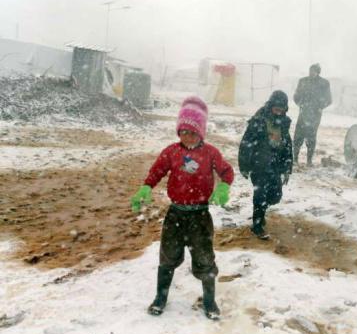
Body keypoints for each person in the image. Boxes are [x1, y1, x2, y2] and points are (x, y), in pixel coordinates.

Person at [130, 96, 234, 320]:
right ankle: (161, 296)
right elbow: (157, 171)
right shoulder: (171, 152)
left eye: (193, 132)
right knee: (168, 257)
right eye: (184, 131)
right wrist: (146, 187)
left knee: (205, 260)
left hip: (200, 216)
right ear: (178, 132)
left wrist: (224, 186)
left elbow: (227, 172)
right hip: (176, 213)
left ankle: (209, 300)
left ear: (202, 133)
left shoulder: (210, 153)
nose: (188, 136)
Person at [238, 90, 293, 240]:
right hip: (259, 164)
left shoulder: (284, 124)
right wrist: (244, 165)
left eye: (281, 109)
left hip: (275, 165)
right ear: (270, 106)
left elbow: (287, 146)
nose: (279, 111)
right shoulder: (259, 120)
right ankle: (257, 225)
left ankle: (261, 210)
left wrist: (287, 168)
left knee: (275, 196)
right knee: (260, 194)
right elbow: (246, 143)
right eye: (276, 108)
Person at [293, 63, 332, 167]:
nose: (311, 73)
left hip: (315, 114)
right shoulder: (303, 81)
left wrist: (320, 107)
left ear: (318, 72)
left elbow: (329, 99)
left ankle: (309, 161)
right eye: (310, 70)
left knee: (311, 137)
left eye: (314, 71)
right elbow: (296, 96)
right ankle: (295, 159)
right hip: (303, 112)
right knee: (298, 136)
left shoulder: (324, 83)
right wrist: (300, 104)